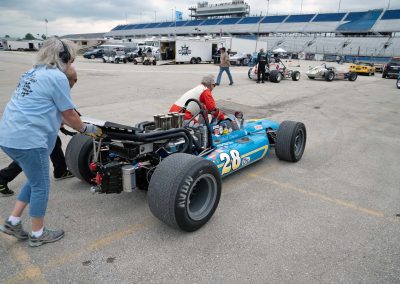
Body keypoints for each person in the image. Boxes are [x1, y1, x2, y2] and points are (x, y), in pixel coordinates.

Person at [0, 37, 102, 247]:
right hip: (29, 140)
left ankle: (13, 221)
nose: (72, 63)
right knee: (42, 186)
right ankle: (38, 234)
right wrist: (85, 129)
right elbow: (69, 113)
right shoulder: (57, 77)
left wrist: (69, 121)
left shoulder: (30, 73)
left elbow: (51, 109)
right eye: (71, 58)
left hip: (9, 136)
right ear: (63, 57)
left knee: (34, 180)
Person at [0, 66, 79, 197]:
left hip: (26, 125)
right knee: (31, 156)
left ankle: (60, 170)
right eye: (74, 81)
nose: (73, 85)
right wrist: (81, 125)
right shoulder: (55, 82)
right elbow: (66, 112)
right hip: (28, 130)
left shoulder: (44, 80)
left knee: (54, 143)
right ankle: (3, 177)